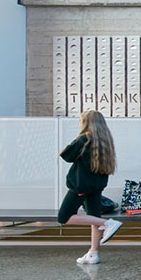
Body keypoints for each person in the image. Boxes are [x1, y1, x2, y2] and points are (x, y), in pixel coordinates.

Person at [58, 110, 123, 265]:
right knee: (94, 218)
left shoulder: (84, 139)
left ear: (86, 122)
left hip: (81, 186)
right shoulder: (105, 141)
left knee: (64, 217)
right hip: (96, 185)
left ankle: (108, 224)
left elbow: (67, 156)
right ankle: (93, 253)